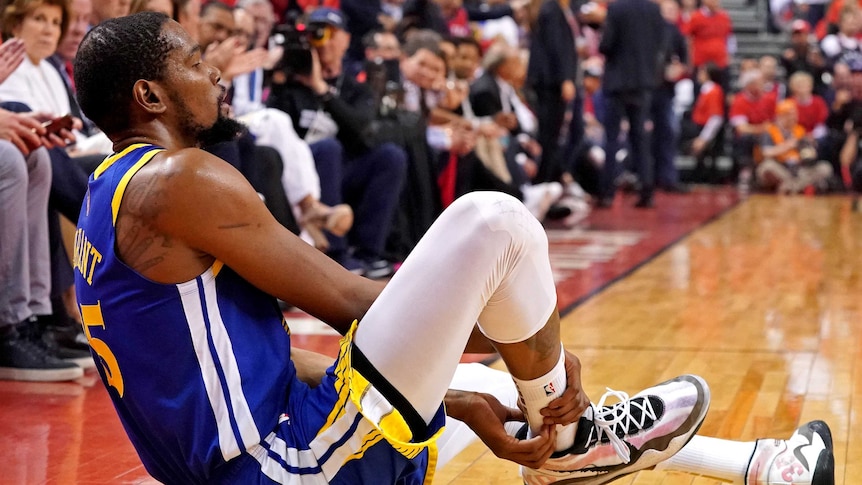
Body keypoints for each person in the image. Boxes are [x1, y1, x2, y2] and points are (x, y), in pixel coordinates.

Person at [75, 12, 717, 484]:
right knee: (495, 223)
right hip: (288, 464)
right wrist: (534, 346)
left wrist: (467, 392)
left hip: (253, 463)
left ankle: (754, 464)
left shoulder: (103, 199)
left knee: (474, 382)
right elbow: (350, 300)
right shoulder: (180, 180)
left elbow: (256, 356)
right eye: (193, 60)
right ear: (149, 96)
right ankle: (572, 447)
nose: (216, 70)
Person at [596, 0, 667, 208]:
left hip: (618, 83)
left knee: (611, 139)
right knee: (641, 140)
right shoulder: (654, 9)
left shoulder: (616, 8)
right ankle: (647, 191)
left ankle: (607, 192)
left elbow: (606, 44)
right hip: (643, 82)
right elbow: (661, 41)